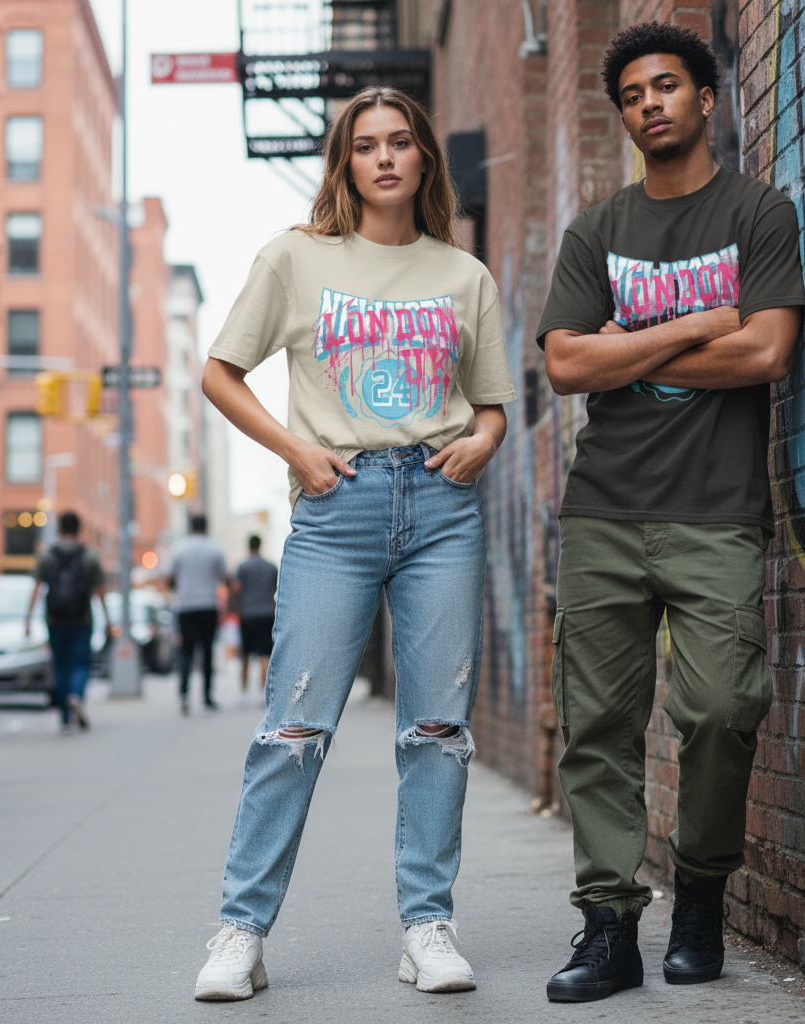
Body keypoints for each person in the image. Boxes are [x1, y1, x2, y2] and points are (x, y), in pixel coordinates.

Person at [193, 85, 516, 1001]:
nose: (383, 157)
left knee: (438, 728)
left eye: (400, 142)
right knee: (292, 728)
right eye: (365, 144)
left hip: (442, 508)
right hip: (337, 510)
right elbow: (220, 373)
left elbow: (492, 409)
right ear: (345, 162)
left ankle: (428, 927)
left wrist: (482, 443)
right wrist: (299, 450)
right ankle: (240, 934)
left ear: (423, 160)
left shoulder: (464, 275)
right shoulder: (297, 259)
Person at [537, 23, 805, 1003]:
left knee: (725, 708)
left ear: (705, 100)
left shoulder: (757, 212)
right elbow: (566, 363)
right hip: (604, 508)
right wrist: (698, 320)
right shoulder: (596, 232)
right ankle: (607, 927)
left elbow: (766, 352)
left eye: (666, 87)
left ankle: (699, 892)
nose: (649, 103)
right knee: (598, 727)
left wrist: (630, 343)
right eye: (633, 95)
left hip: (716, 511)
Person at [26, 511, 111, 733]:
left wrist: (27, 619)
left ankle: (65, 719)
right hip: (82, 619)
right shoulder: (89, 556)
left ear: (59, 528)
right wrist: (108, 619)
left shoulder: (47, 556)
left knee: (60, 666)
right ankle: (76, 696)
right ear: (79, 529)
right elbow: (99, 591)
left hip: (54, 619)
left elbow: (36, 588)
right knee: (81, 664)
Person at [169, 514, 228, 714]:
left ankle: (184, 696)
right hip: (208, 606)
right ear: (206, 526)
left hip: (186, 607)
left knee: (186, 652)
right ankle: (207, 697)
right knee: (207, 653)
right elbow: (224, 575)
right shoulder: (214, 549)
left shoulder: (179, 549)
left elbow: (169, 577)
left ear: (190, 527)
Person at [234, 534, 277, 702]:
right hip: (267, 613)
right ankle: (262, 692)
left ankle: (244, 692)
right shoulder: (271, 567)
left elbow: (237, 589)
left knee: (245, 653)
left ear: (248, 546)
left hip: (248, 614)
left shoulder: (243, 567)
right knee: (265, 654)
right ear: (260, 545)